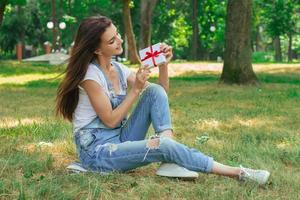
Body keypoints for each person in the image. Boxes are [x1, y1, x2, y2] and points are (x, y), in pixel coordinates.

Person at [56, 16, 270, 184]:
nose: (120, 41)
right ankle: (237, 172)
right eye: (112, 40)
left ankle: (168, 161)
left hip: (120, 138)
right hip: (98, 153)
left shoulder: (119, 69)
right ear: (96, 48)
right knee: (163, 144)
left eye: (118, 34)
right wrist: (135, 89)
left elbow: (160, 94)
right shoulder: (90, 76)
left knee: (153, 92)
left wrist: (164, 65)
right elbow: (111, 121)